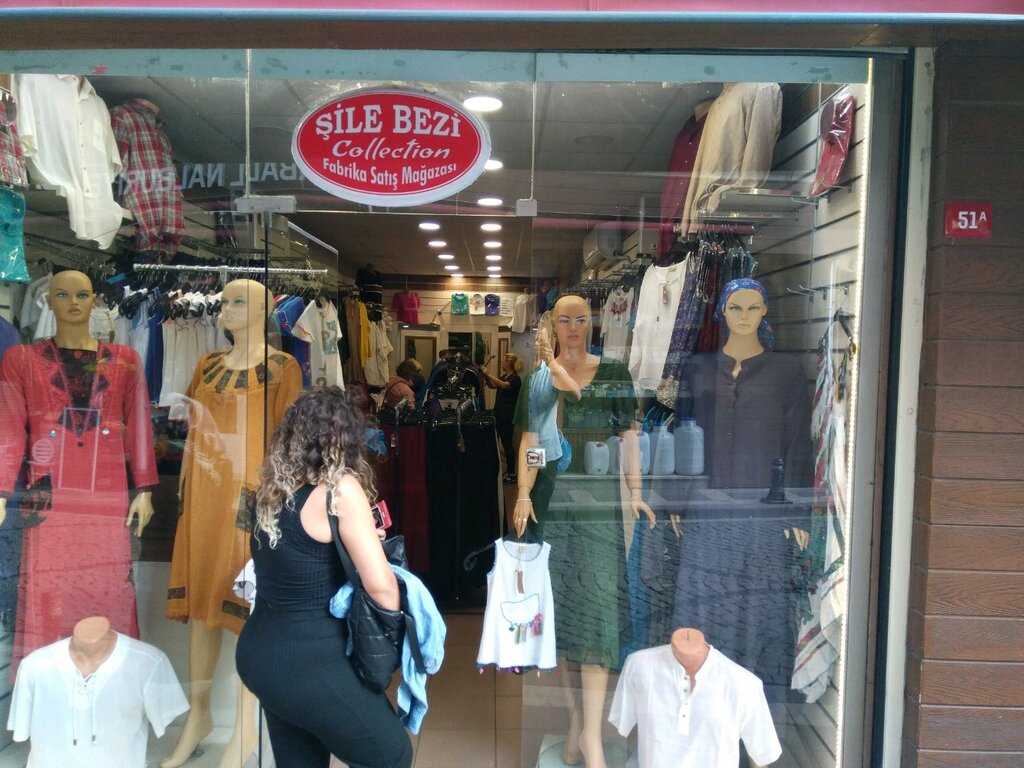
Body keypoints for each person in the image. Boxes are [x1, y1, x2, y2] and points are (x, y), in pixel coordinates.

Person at [162, 279, 302, 768]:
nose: (226, 308)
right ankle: (199, 716)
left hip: (251, 498)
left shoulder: (283, 368)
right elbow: (193, 431)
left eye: (239, 301)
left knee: (244, 609)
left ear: (264, 310)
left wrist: (277, 505)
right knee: (203, 609)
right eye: (224, 301)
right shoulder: (207, 365)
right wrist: (185, 488)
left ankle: (245, 730)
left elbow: (289, 443)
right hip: (203, 496)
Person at [236, 385, 413, 768]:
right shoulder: (339, 489)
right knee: (393, 755)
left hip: (260, 655)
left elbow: (299, 557)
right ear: (344, 438)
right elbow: (382, 587)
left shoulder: (273, 488)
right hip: (309, 662)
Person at [513, 294, 653, 768]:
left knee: (597, 617)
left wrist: (635, 491)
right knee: (563, 623)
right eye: (564, 319)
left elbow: (629, 437)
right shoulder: (539, 379)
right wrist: (525, 492)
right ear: (552, 325)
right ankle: (575, 723)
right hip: (551, 511)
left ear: (592, 323)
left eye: (581, 319)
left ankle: (593, 735)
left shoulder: (612, 373)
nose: (573, 327)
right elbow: (533, 443)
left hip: (598, 512)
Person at [0, 270, 157, 674]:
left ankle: (108, 684)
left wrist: (145, 489)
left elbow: (139, 424)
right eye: (63, 294)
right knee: (48, 587)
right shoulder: (21, 359)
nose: (73, 302)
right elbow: (10, 427)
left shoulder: (124, 360)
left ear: (94, 301)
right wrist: (1, 491)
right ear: (48, 301)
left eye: (82, 294)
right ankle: (49, 688)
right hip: (48, 496)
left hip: (106, 496)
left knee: (107, 587)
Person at [479, 352, 523, 483]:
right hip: (499, 414)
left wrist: (488, 374)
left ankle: (512, 472)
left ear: (509, 363)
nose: (502, 363)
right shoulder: (504, 376)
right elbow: (493, 385)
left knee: (507, 444)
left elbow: (503, 385)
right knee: (498, 442)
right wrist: (486, 377)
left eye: (504, 360)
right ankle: (502, 471)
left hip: (507, 416)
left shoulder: (515, 378)